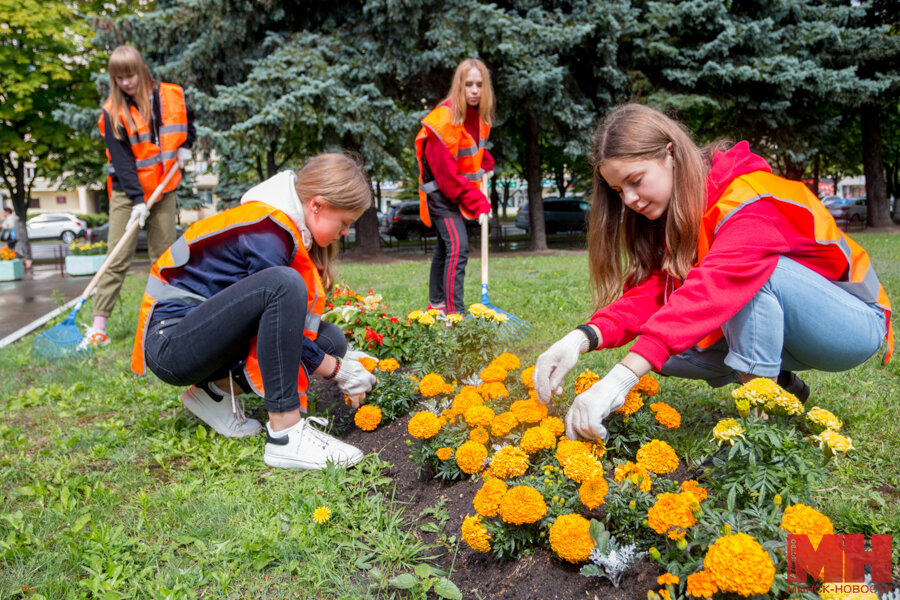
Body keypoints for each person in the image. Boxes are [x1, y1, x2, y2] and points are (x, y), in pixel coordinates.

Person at [534, 104, 893, 441]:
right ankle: (779, 385)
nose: (628, 200)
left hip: (854, 325)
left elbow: (717, 284)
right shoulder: (683, 210)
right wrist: (580, 338)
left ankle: (758, 436)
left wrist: (619, 380)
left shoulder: (747, 196)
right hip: (797, 326)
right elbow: (661, 292)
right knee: (669, 352)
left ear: (670, 154)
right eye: (618, 190)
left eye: (635, 180)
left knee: (752, 279)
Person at [131, 153, 378, 470]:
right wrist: (337, 370)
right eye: (345, 223)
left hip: (199, 337)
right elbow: (277, 296)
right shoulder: (266, 231)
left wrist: (337, 361)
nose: (345, 233)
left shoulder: (279, 227)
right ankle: (286, 435)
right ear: (316, 205)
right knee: (282, 284)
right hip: (172, 344)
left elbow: (280, 329)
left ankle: (215, 394)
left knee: (328, 340)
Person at [80, 45, 196, 351]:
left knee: (165, 258)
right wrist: (136, 201)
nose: (126, 83)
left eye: (129, 75)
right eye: (119, 78)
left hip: (164, 188)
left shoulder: (171, 95)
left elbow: (188, 121)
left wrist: (187, 146)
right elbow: (122, 162)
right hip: (126, 193)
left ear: (141, 70)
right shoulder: (112, 111)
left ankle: (172, 318)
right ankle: (98, 326)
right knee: (117, 257)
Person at [414, 57, 495, 315]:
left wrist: (486, 163)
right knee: (457, 247)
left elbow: (471, 154)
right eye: (468, 84)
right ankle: (453, 314)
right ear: (458, 86)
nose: (474, 90)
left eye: (479, 85)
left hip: (453, 193)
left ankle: (436, 305)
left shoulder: (479, 118)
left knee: (444, 247)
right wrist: (479, 202)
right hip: (440, 194)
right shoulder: (444, 120)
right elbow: (448, 179)